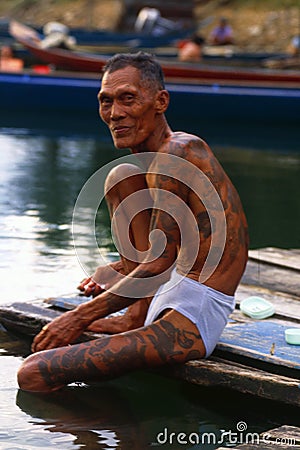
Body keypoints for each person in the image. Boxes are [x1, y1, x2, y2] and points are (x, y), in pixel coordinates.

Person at [17, 52, 248, 393]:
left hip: (191, 319)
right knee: (120, 177)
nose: (115, 113)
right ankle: (135, 316)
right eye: (105, 101)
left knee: (33, 373)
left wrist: (79, 316)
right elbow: (167, 251)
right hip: (162, 294)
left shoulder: (180, 151)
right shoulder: (149, 163)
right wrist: (118, 269)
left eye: (128, 99)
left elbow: (158, 265)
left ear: (160, 101)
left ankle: (106, 435)